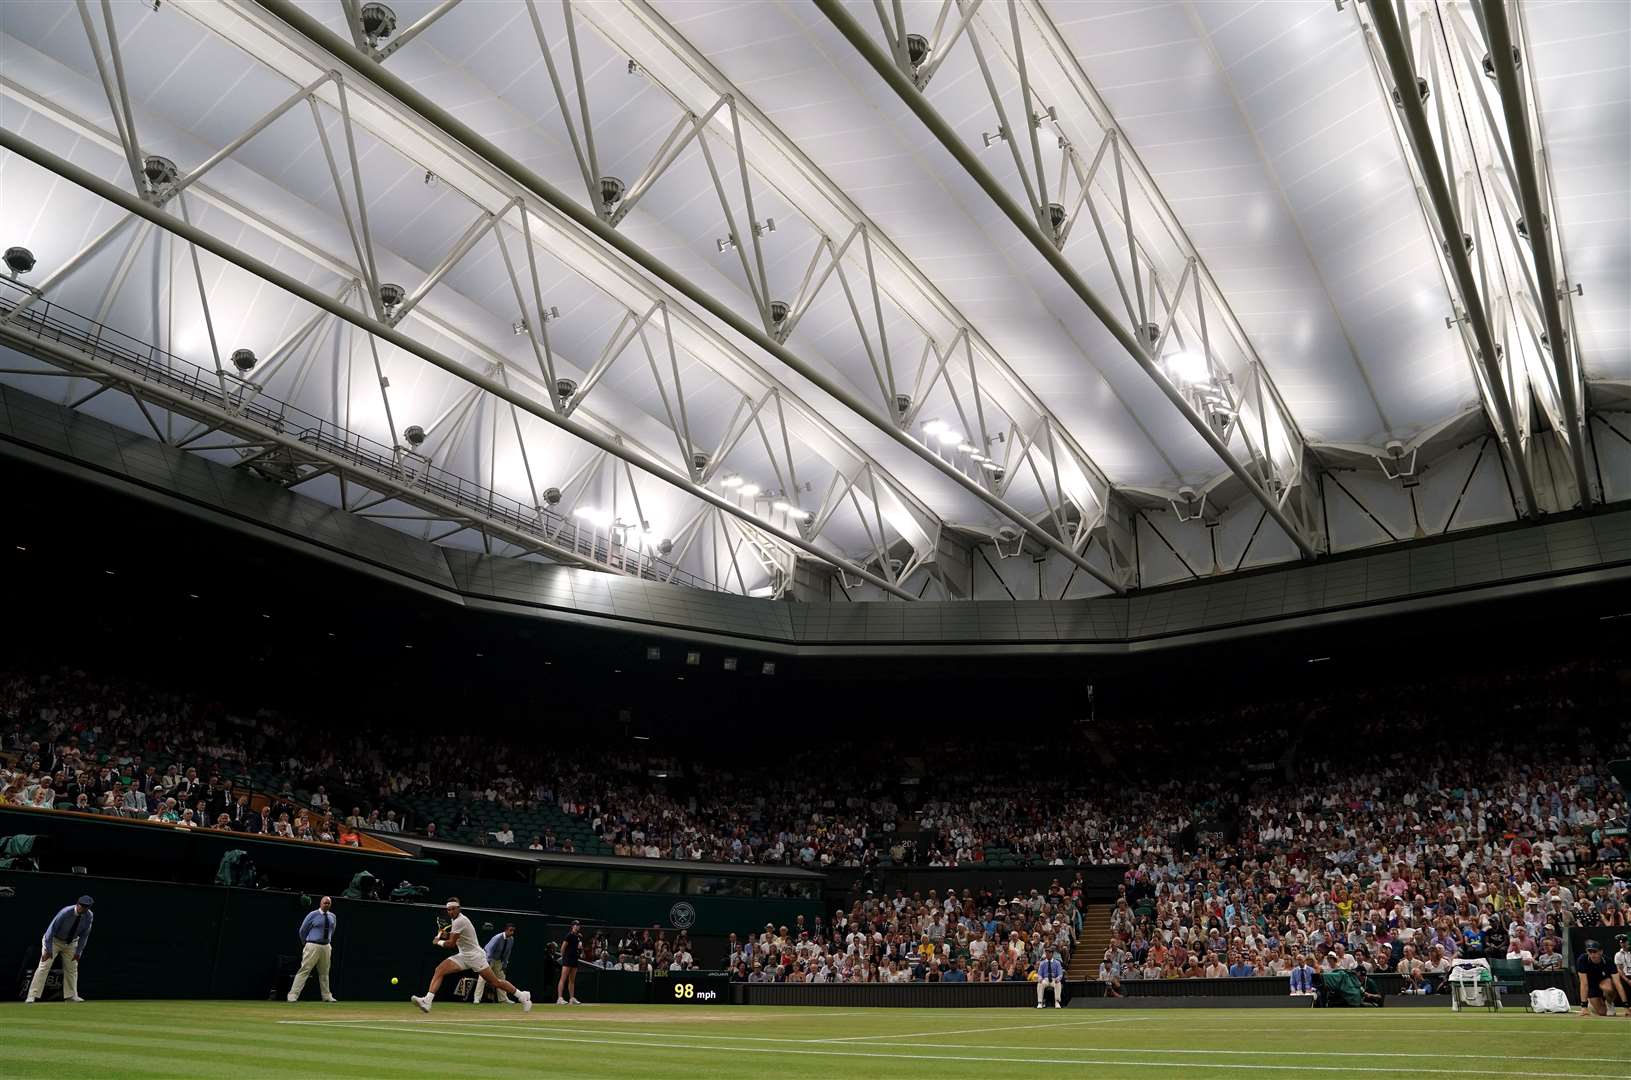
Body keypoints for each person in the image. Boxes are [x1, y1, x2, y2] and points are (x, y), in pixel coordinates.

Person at [412, 899, 531, 1013]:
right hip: (464, 956)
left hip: (476, 957)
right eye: (448, 910)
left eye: (453, 909)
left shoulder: (460, 921)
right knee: (439, 970)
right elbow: (457, 937)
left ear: (459, 908)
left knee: (495, 982)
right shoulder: (455, 920)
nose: (450, 912)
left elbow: (452, 943)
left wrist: (438, 941)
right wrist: (445, 934)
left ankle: (522, 997)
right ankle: (427, 1001)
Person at [26, 895, 94, 1003]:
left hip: (71, 943)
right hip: (54, 941)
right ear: (77, 904)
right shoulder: (65, 912)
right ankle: (32, 995)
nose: (84, 909)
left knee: (72, 968)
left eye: (87, 907)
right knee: (44, 967)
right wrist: (48, 950)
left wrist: (78, 952)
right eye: (82, 906)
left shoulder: (89, 916)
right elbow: (50, 931)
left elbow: (85, 935)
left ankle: (71, 996)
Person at [288, 895, 339, 1003]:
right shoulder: (312, 915)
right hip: (312, 945)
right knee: (305, 970)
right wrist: (306, 942)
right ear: (320, 903)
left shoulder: (332, 916)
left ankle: (326, 996)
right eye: (325, 903)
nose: (327, 905)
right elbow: (302, 930)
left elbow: (332, 931)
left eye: (329, 903)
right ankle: (292, 995)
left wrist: (326, 941)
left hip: (326, 946)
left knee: (324, 972)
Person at [1575, 939, 1619, 1017]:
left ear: (1601, 952)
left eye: (1594, 951)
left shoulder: (1608, 961)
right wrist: (1584, 1007)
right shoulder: (1582, 960)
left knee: (1608, 987)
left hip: (1604, 983)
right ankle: (1591, 1004)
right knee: (1602, 1013)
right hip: (1592, 987)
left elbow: (1617, 984)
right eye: (1590, 952)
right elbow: (1584, 984)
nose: (1592, 954)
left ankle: (1609, 1004)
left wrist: (1626, 1006)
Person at [474, 925, 516, 1004]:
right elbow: (489, 949)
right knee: (482, 978)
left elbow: (508, 953)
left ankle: (503, 999)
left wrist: (504, 965)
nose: (512, 932)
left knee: (502, 978)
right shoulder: (497, 938)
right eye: (510, 930)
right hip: (487, 958)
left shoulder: (511, 940)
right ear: (506, 930)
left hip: (498, 961)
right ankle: (477, 998)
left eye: (513, 931)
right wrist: (488, 961)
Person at [557, 919, 582, 1005]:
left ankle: (572, 998)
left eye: (578, 925)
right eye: (575, 925)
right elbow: (562, 948)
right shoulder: (568, 935)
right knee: (563, 979)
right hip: (567, 960)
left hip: (575, 960)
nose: (577, 926)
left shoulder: (579, 937)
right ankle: (560, 998)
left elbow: (578, 948)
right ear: (572, 926)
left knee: (572, 980)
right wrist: (564, 958)